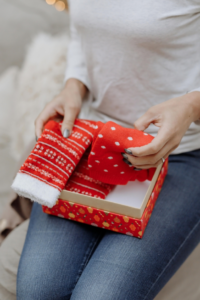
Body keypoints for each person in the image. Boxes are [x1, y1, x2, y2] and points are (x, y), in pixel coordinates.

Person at [17, 1, 200, 299]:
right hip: (93, 140)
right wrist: (74, 87)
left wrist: (193, 105)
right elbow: (82, 32)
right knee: (38, 291)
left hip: (183, 154)